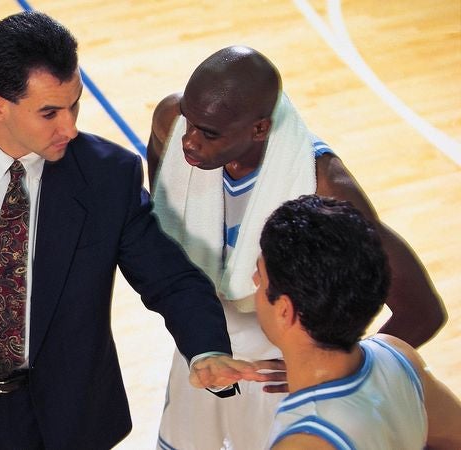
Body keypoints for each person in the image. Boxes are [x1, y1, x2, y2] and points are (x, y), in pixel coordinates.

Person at [0, 12, 278, 450]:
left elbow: (170, 279)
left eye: (74, 104)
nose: (69, 127)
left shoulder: (108, 176)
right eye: (49, 112)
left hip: (72, 422)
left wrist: (206, 348)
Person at [149, 45, 447, 450]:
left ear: (259, 129)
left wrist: (324, 366)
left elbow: (422, 309)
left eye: (209, 133)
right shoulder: (172, 122)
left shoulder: (324, 187)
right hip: (204, 345)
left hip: (274, 370)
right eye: (190, 121)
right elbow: (164, 212)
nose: (189, 143)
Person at [257, 195, 461, 449]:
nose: (255, 281)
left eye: (261, 277)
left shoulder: (306, 441)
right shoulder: (397, 354)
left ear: (285, 310)